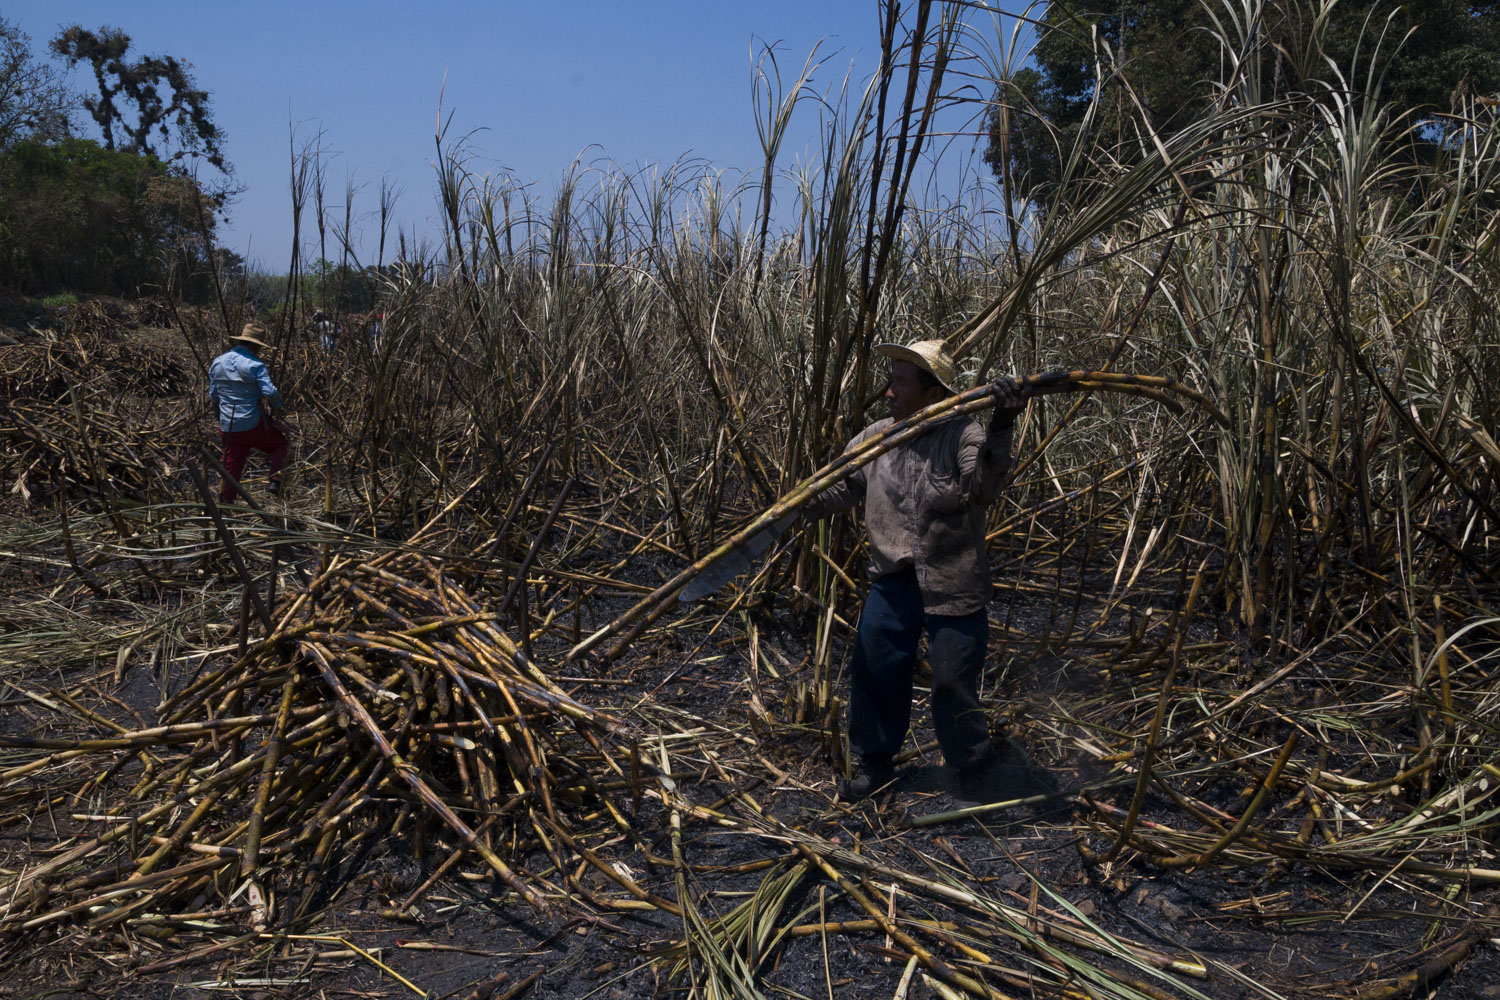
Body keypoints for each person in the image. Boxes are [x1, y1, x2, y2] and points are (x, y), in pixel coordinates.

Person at [810, 339, 1030, 801]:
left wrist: (1002, 425)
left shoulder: (963, 435)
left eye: (899, 383)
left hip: (953, 578)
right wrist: (799, 504)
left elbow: (983, 489)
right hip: (894, 579)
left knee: (952, 680)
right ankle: (875, 765)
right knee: (875, 666)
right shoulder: (873, 440)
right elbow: (839, 488)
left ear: (932, 393)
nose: (888, 392)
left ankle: (971, 769)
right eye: (890, 381)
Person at [209, 322, 289, 500]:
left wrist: (220, 418)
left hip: (229, 426)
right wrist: (278, 406)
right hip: (253, 424)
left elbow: (214, 396)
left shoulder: (217, 362)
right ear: (255, 345)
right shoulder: (254, 364)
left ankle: (225, 505)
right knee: (280, 445)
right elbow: (270, 392)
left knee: (232, 468)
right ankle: (275, 481)